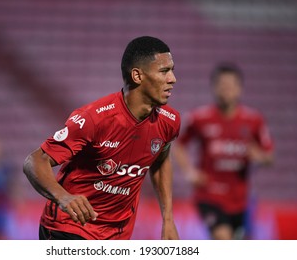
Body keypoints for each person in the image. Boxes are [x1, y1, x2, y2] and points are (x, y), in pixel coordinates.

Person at [23, 36, 180, 240]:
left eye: (172, 70)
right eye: (164, 71)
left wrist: (168, 219)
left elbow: (160, 160)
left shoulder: (169, 122)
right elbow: (34, 161)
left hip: (117, 235)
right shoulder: (94, 119)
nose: (173, 79)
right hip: (70, 227)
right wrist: (64, 197)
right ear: (137, 76)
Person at [172, 62, 274, 240]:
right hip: (209, 195)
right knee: (223, 239)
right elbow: (178, 144)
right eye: (222, 85)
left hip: (241, 199)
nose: (226, 89)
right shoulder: (199, 118)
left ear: (239, 89)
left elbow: (269, 156)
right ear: (214, 88)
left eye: (230, 85)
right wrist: (190, 171)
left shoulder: (254, 120)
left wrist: (260, 157)